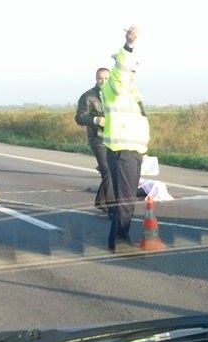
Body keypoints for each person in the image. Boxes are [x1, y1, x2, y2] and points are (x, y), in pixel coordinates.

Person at [100, 26, 150, 252]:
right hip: (122, 152)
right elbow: (120, 75)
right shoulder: (114, 88)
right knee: (126, 200)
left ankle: (118, 239)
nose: (133, 74)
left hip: (132, 151)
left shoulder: (133, 94)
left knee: (126, 199)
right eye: (131, 70)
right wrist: (128, 47)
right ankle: (120, 240)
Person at [74, 67, 114, 215]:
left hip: (114, 139)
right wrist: (96, 119)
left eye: (106, 78)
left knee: (112, 171)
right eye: (100, 78)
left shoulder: (115, 95)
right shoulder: (88, 96)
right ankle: (113, 208)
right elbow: (79, 118)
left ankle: (101, 201)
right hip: (98, 139)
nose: (103, 81)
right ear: (96, 79)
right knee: (108, 170)